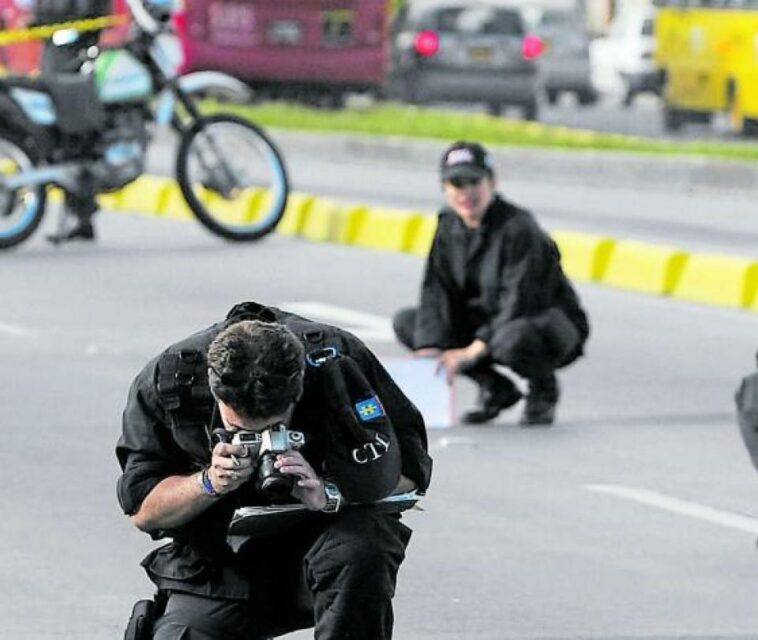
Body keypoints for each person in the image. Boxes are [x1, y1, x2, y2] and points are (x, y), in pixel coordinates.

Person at [117, 301, 432, 640]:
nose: (260, 441)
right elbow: (142, 510)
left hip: (326, 550)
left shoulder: (339, 362)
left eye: (274, 428)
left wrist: (331, 493)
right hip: (219, 566)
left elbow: (411, 474)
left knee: (362, 547)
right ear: (215, 393)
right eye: (242, 430)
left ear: (298, 391)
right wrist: (207, 483)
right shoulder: (169, 379)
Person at [393, 141, 590, 426]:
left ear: (492, 182)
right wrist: (430, 346)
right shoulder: (449, 225)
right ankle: (495, 388)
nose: (466, 192)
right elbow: (437, 289)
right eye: (456, 183)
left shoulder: (520, 228)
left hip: (543, 324)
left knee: (509, 340)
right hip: (490, 322)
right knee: (411, 323)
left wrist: (472, 351)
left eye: (474, 181)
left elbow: (520, 300)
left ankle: (543, 388)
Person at [30, 0, 112, 243]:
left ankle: (82, 212)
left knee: (79, 132)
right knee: (65, 134)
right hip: (59, 45)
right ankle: (80, 212)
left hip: (76, 46)